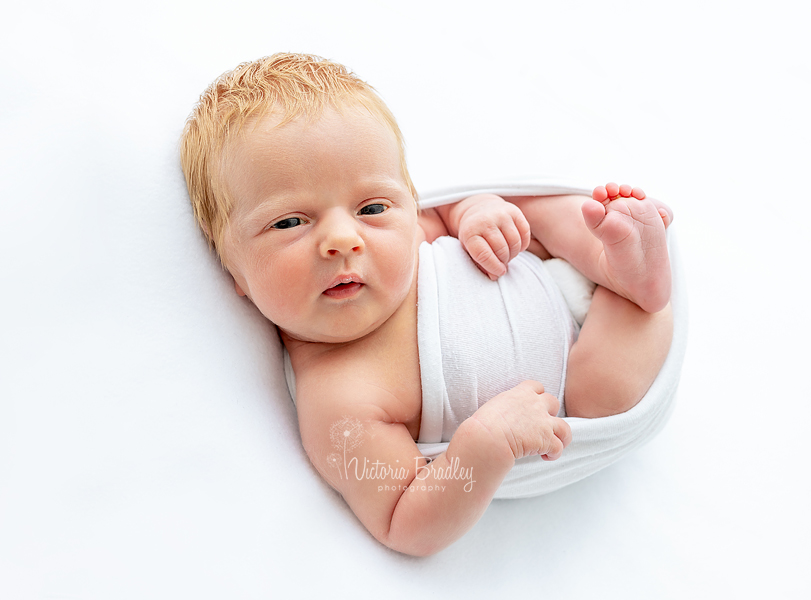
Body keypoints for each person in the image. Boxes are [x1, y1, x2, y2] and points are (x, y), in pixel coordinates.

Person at [180, 52, 674, 556]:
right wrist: (484, 446)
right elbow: (404, 520)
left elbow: (445, 210)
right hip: (569, 376)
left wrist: (477, 211)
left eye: (372, 207)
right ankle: (635, 295)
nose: (344, 239)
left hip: (534, 265)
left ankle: (614, 255)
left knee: (531, 213)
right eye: (289, 223)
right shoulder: (337, 404)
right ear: (232, 270)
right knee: (604, 394)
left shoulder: (410, 231)